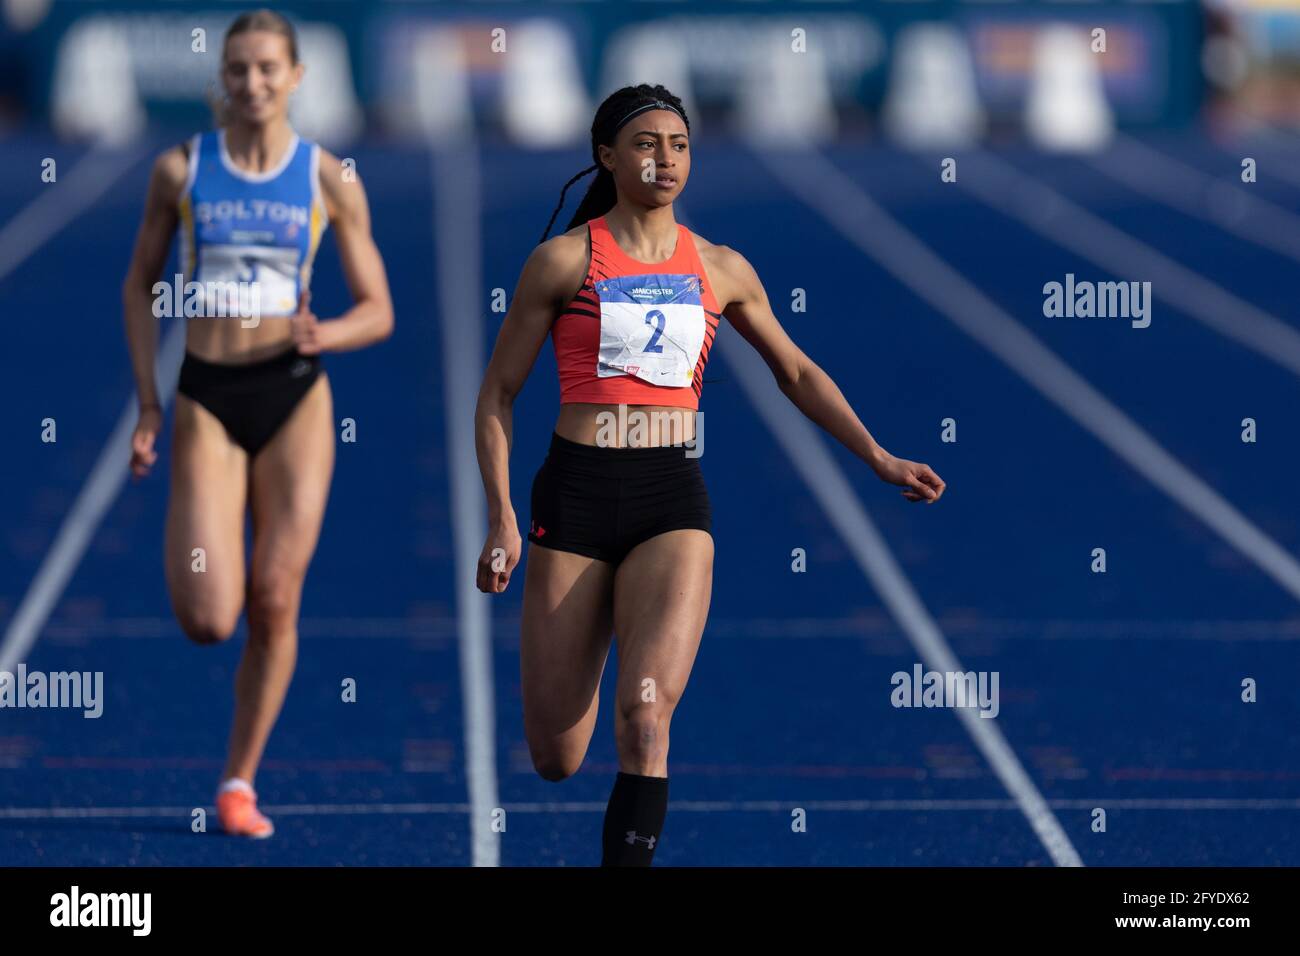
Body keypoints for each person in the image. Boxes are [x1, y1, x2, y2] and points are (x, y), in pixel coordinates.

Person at [474, 83, 945, 865]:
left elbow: (795, 372)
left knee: (646, 716)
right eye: (647, 144)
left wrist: (878, 455)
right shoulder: (563, 261)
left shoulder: (720, 267)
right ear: (607, 156)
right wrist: (500, 518)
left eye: (679, 144)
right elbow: (498, 392)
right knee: (556, 756)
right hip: (576, 495)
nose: (666, 159)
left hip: (671, 501)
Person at [121, 8, 393, 837]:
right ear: (223, 80)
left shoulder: (329, 178)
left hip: (295, 395)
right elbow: (138, 287)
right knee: (209, 617)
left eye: (269, 68)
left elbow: (379, 307)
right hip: (207, 394)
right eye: (238, 69)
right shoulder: (180, 169)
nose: (253, 83)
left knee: (276, 598)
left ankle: (238, 781)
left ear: (296, 76)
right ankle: (235, 757)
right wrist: (147, 401)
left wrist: (330, 331)